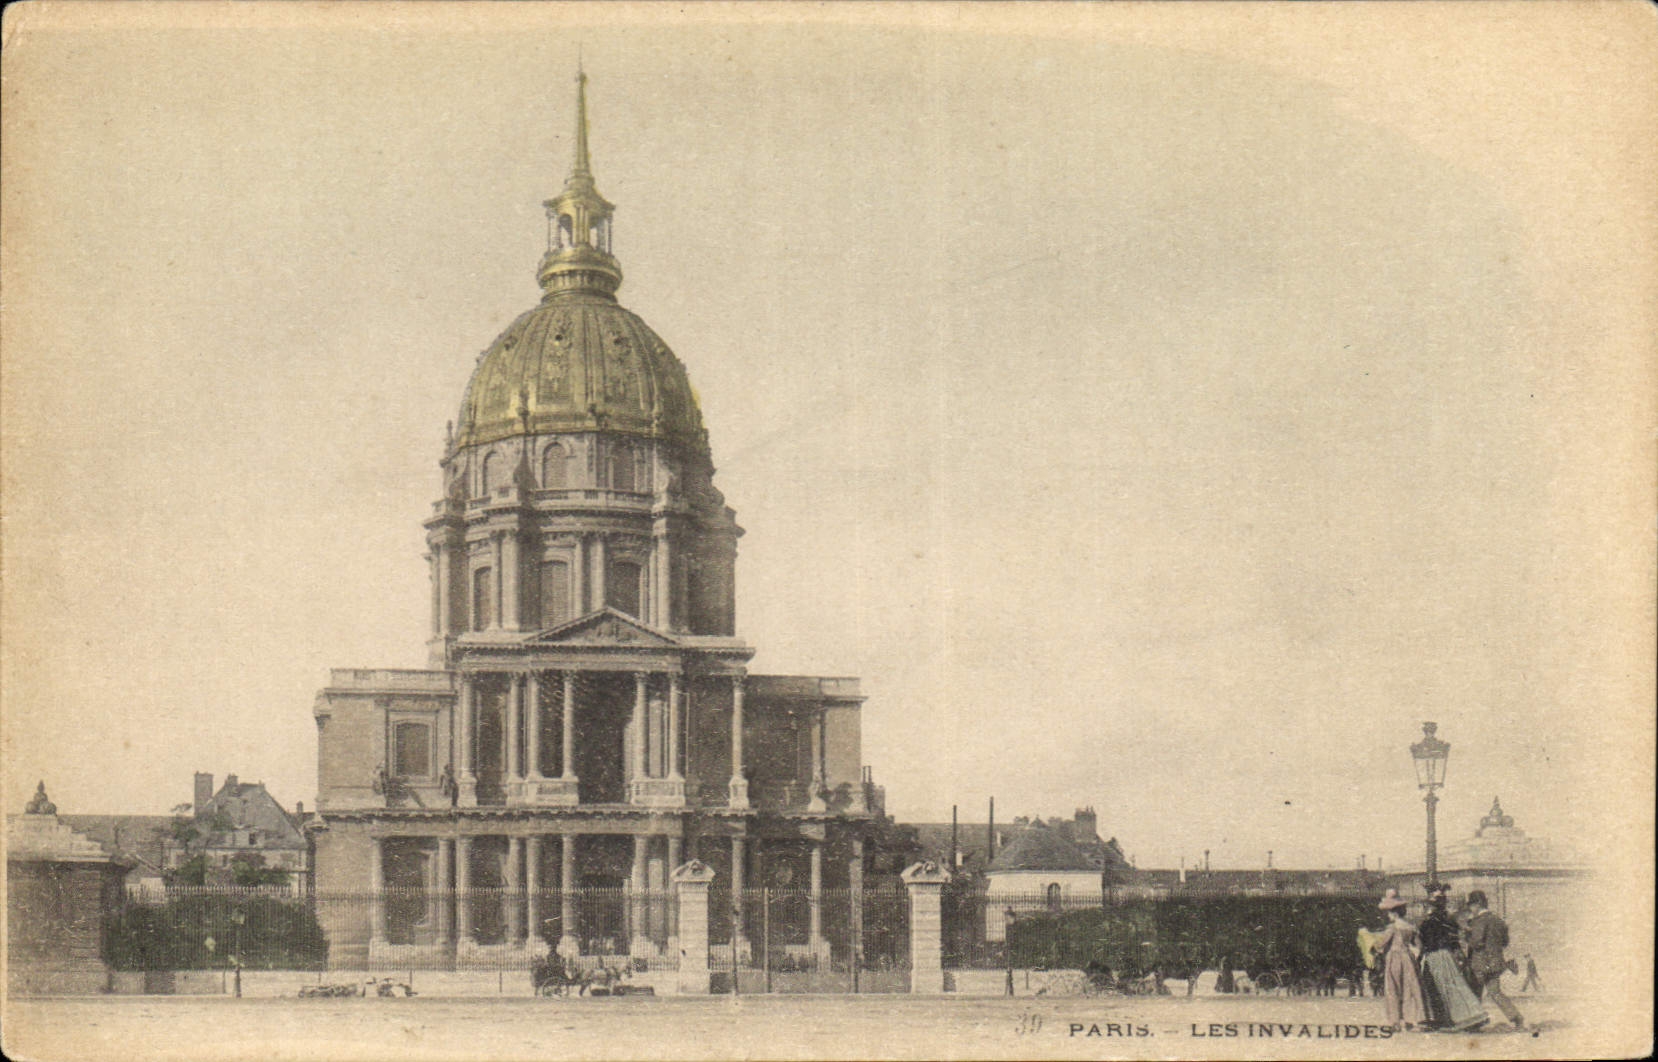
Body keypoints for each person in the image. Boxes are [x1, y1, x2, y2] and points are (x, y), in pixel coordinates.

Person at [1417, 884, 1488, 1032]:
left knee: (1440, 987)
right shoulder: (1448, 919)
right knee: (1451, 986)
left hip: (1436, 956)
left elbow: (1426, 939)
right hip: (1444, 955)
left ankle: (1447, 1019)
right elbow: (1453, 939)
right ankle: (1459, 1017)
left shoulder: (1433, 920)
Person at [1463, 890, 1524, 1030]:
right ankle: (1516, 1018)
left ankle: (1475, 1022)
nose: (1470, 909)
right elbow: (1505, 942)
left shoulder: (1478, 921)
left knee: (1474, 992)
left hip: (1480, 962)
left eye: (1471, 905)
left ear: (1478, 904)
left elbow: (1476, 942)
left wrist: (1467, 936)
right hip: (1496, 962)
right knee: (1495, 992)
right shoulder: (1498, 920)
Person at [1371, 889, 1429, 1030]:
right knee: (1409, 988)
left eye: (1389, 913)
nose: (1388, 916)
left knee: (1393, 988)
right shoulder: (1410, 927)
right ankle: (1410, 1019)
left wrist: (1375, 949)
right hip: (1408, 958)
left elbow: (1380, 943)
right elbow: (1419, 945)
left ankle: (1395, 1021)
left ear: (1394, 913)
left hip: (1394, 958)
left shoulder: (1392, 928)